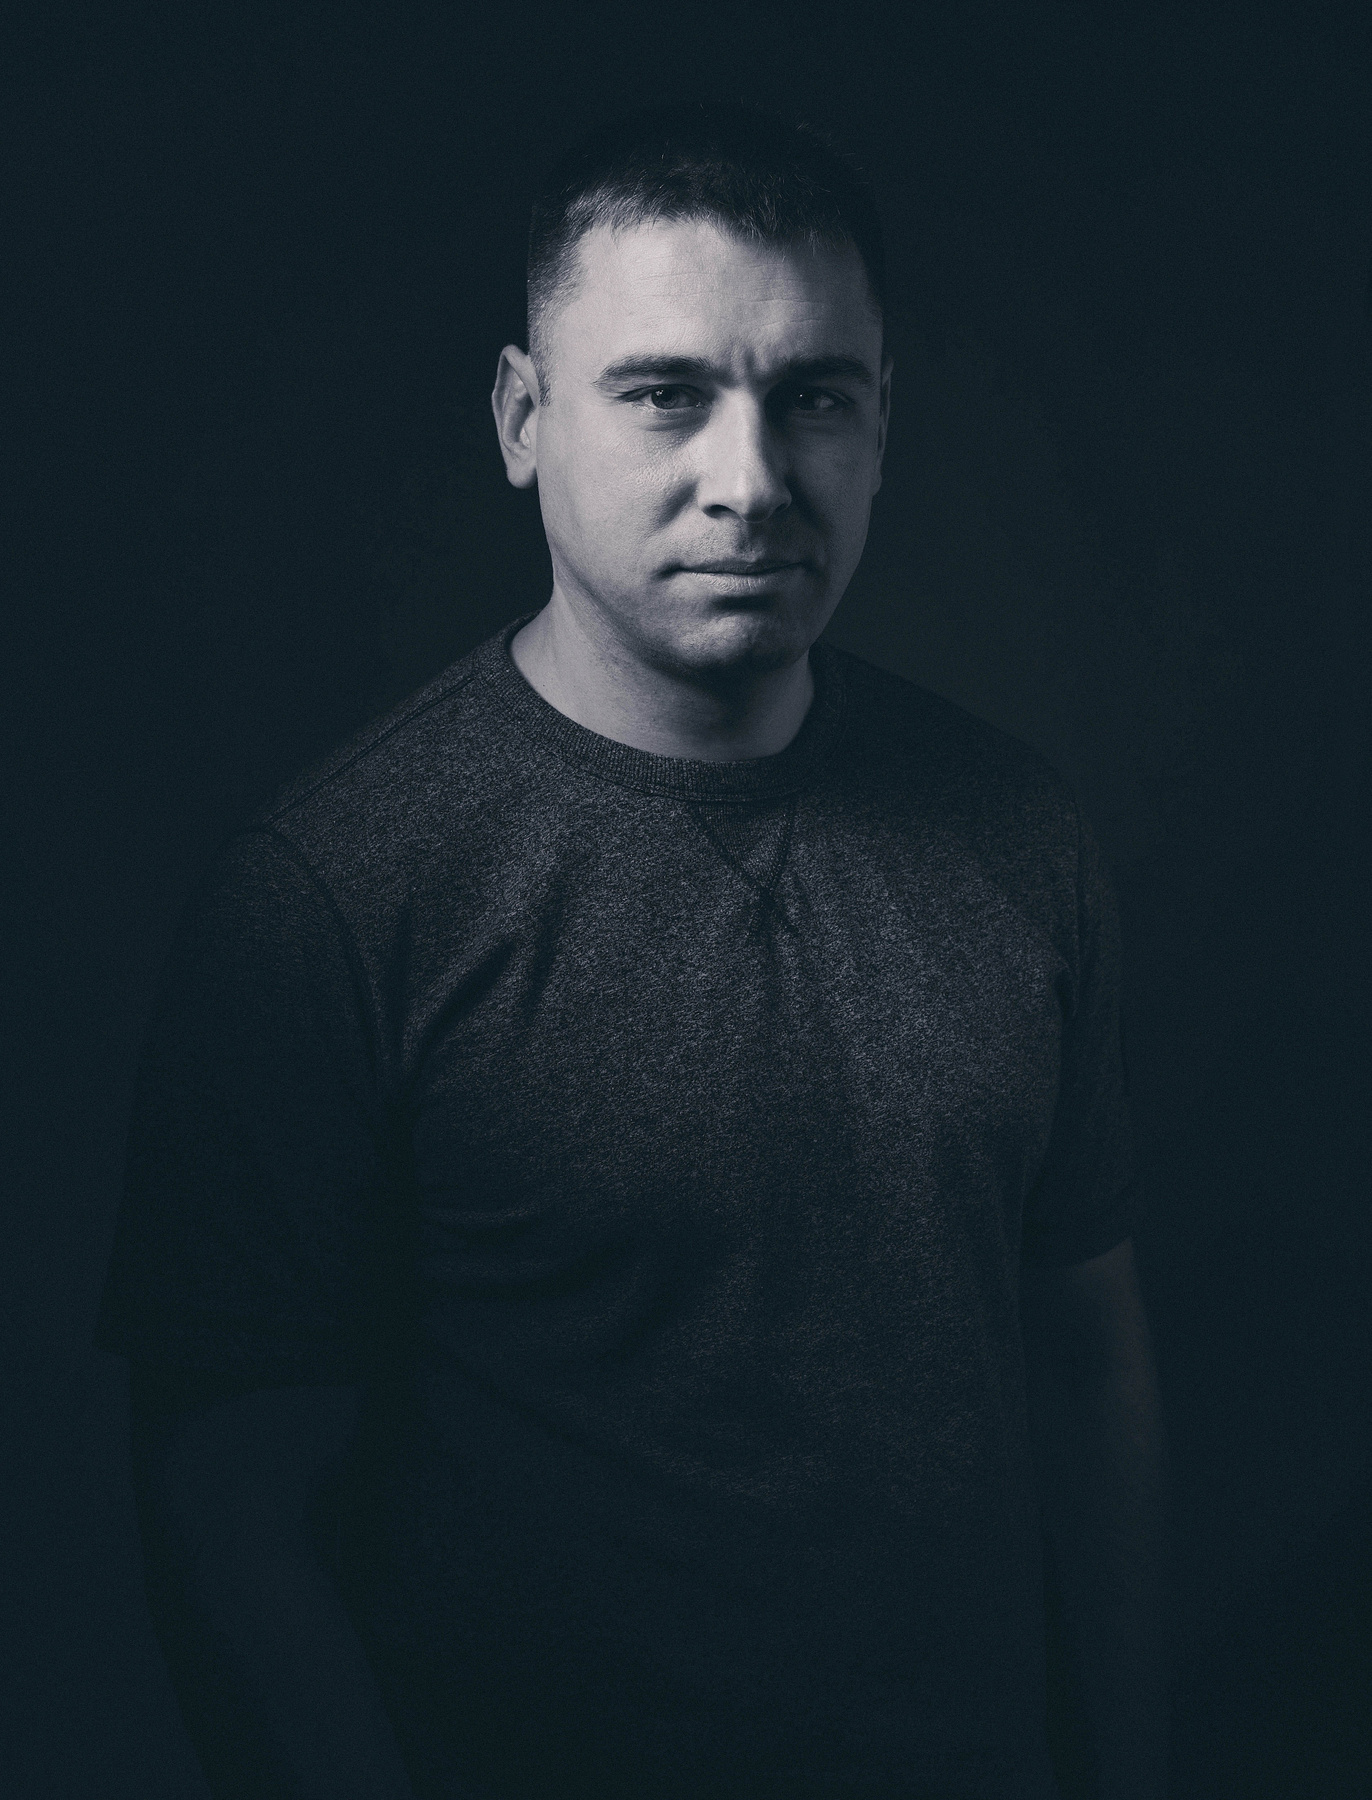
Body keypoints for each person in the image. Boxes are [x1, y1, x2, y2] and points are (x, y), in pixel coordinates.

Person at [97, 102, 1168, 1800]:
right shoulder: (329, 899)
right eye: (666, 394)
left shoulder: (1020, 834)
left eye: (815, 397)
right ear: (524, 420)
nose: (752, 481)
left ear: (882, 423)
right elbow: (229, 1516)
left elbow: (1083, 1358)